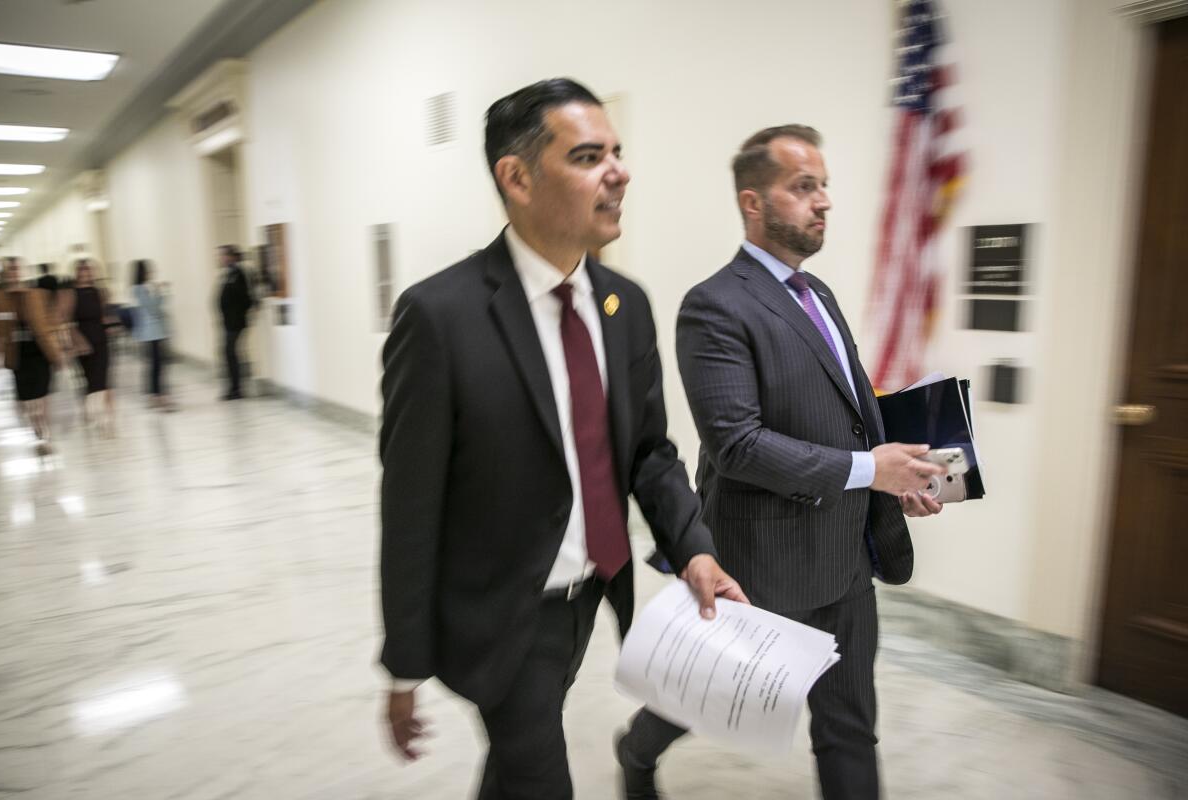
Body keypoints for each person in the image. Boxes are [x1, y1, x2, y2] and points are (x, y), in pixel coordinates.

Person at [377, 78, 747, 800]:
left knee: (519, 765)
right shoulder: (440, 317)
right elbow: (410, 504)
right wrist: (404, 664)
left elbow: (649, 452)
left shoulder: (625, 304)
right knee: (542, 775)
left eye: (617, 152)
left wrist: (695, 549)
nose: (619, 172)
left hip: (592, 593)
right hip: (502, 607)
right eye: (587, 157)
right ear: (516, 178)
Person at [616, 125, 947, 800]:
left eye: (824, 186)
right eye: (803, 187)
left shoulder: (817, 293)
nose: (823, 201)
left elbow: (854, 412)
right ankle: (637, 750)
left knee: (850, 727)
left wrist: (899, 477)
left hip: (848, 559)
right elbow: (738, 444)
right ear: (753, 203)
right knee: (700, 693)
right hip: (763, 561)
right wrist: (867, 469)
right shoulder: (714, 306)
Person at [0, 257, 62, 453]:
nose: (14, 273)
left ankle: (46, 436)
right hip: (18, 354)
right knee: (27, 400)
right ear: (7, 274)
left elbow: (49, 323)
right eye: (11, 270)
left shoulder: (36, 295)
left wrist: (58, 350)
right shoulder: (0, 299)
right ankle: (37, 431)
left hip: (40, 351)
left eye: (17, 270)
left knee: (42, 397)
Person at [67, 258, 116, 436]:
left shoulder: (98, 291)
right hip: (82, 339)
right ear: (77, 273)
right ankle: (92, 412)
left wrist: (111, 327)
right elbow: (68, 321)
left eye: (89, 271)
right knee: (89, 379)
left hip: (101, 339)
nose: (86, 274)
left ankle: (105, 417)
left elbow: (104, 314)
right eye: (82, 271)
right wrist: (75, 342)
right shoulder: (71, 293)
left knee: (101, 378)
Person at [131, 259, 173, 410]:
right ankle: (156, 396)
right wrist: (161, 292)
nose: (151, 273)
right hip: (150, 333)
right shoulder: (139, 289)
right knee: (156, 365)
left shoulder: (143, 288)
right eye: (148, 270)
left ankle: (157, 394)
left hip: (156, 332)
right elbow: (153, 308)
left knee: (158, 365)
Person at [216, 245, 252, 400]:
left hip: (235, 322)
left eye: (223, 255)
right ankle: (233, 388)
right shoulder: (228, 273)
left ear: (231, 256)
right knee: (228, 353)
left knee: (230, 353)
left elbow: (245, 298)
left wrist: (236, 314)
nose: (221, 258)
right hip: (228, 322)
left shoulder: (238, 273)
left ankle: (236, 389)